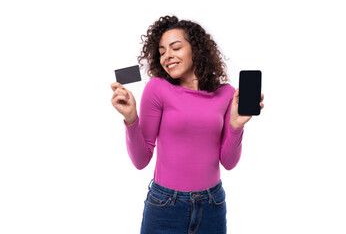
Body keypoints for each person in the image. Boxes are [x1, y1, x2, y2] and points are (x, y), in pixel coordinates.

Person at [110, 15, 264, 234]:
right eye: (162, 52)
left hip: (213, 204)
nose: (167, 56)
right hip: (165, 205)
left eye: (175, 48)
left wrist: (236, 125)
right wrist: (131, 118)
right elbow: (141, 159)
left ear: (196, 49)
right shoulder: (157, 89)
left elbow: (228, 162)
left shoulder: (226, 94)